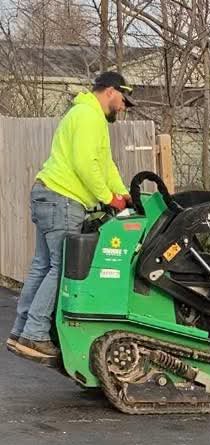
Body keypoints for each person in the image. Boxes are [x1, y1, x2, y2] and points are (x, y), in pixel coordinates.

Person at [7, 71, 134, 366]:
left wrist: (123, 194)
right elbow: (85, 164)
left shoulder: (84, 114)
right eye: (124, 100)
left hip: (48, 194)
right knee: (60, 267)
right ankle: (35, 333)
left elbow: (105, 164)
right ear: (112, 92)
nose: (125, 106)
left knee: (42, 266)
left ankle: (20, 331)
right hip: (63, 199)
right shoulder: (89, 117)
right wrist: (107, 197)